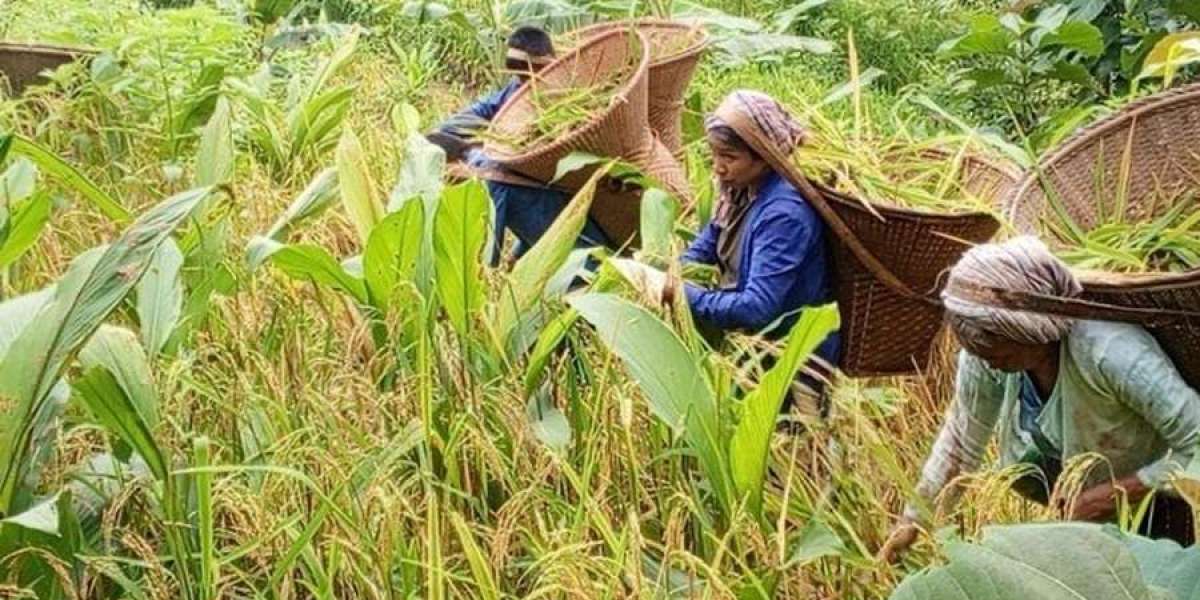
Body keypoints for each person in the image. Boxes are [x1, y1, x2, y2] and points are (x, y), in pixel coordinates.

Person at [879, 236, 1200, 562]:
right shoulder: (985, 357)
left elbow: (1198, 442)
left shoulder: (1113, 353)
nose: (989, 362)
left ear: (1030, 332)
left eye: (996, 352)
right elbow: (961, 442)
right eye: (979, 353)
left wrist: (1112, 495)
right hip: (1082, 504)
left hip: (1160, 497)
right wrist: (914, 521)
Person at [618, 90, 840, 415]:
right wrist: (671, 272)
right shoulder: (739, 191)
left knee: (793, 452)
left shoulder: (784, 213)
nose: (719, 168)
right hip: (754, 352)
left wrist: (675, 292)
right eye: (715, 155)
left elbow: (756, 307)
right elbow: (706, 247)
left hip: (792, 357)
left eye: (729, 158)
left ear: (764, 156)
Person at [427, 25, 613, 267]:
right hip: (575, 243)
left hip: (580, 269)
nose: (525, 82)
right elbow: (535, 212)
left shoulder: (492, 180)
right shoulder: (515, 90)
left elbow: (486, 252)